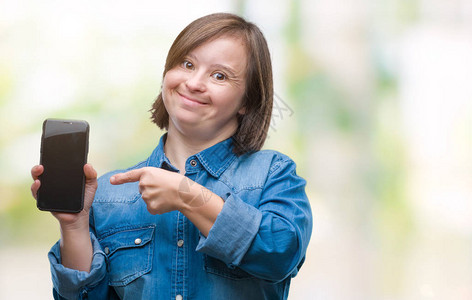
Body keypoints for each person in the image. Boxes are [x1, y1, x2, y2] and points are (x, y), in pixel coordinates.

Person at [31, 12, 312, 300]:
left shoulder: (272, 173)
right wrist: (75, 225)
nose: (194, 83)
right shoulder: (108, 193)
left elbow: (281, 253)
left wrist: (185, 194)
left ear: (247, 101)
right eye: (187, 64)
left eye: (219, 75)